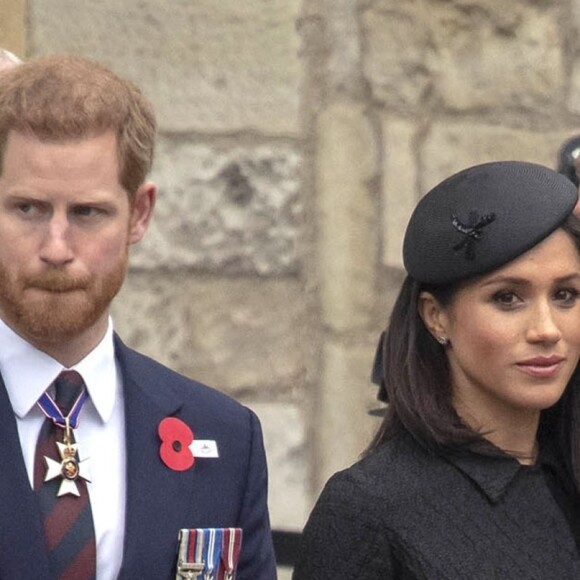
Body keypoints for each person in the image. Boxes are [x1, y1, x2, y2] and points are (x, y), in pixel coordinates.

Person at [0, 56, 276, 579]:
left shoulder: (224, 439)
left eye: (87, 213)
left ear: (140, 214)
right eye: (28, 209)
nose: (57, 248)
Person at [293, 161, 580, 579]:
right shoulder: (370, 510)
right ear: (436, 317)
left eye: (566, 295)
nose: (546, 329)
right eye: (507, 298)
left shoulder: (565, 477)